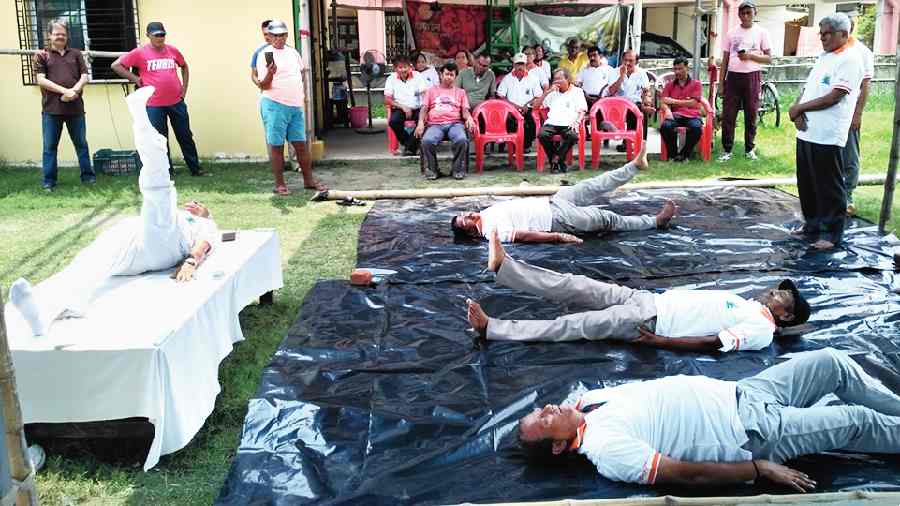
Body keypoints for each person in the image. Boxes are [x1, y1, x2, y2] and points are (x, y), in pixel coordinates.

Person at [515, 347, 900, 491]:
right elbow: (682, 474)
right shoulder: (607, 450)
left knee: (832, 362)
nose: (548, 409)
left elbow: (565, 407)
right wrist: (757, 468)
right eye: (545, 420)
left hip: (748, 392)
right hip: (754, 432)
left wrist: (562, 413)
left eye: (542, 408)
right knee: (855, 420)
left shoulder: (588, 403)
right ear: (561, 446)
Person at [8, 86, 219, 337]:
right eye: (198, 205)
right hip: (134, 240)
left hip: (166, 244)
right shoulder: (180, 216)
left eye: (202, 207)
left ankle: (143, 124)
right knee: (88, 263)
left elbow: (205, 243)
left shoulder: (204, 225)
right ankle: (44, 313)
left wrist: (192, 261)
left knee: (159, 191)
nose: (196, 205)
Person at [467, 227, 809, 350]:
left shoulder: (761, 329)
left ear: (786, 314)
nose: (773, 292)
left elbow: (713, 343)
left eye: (781, 295)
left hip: (654, 321)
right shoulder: (748, 304)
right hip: (649, 300)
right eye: (777, 290)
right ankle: (506, 268)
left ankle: (493, 329)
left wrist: (661, 341)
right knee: (576, 285)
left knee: (575, 325)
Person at [451, 143, 676, 243]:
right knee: (607, 219)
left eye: (465, 214)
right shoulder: (490, 233)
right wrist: (558, 238)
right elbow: (525, 236)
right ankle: (655, 222)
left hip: (553, 201)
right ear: (471, 234)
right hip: (557, 220)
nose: (469, 216)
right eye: (465, 222)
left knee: (594, 184)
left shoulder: (484, 214)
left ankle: (635, 166)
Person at [789, 13, 864, 250]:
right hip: (807, 131)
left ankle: (832, 234)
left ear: (844, 33)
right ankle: (812, 224)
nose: (823, 38)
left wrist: (799, 108)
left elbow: (834, 96)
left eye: (828, 33)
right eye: (821, 34)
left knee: (828, 185)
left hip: (828, 133)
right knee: (807, 182)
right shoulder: (824, 57)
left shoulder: (851, 60)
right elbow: (809, 89)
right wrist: (797, 112)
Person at [112, 22, 204, 177]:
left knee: (185, 135)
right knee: (160, 139)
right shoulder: (140, 53)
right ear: (148, 35)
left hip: (176, 102)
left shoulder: (172, 50)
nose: (160, 38)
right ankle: (166, 171)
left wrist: (184, 89)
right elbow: (116, 65)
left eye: (162, 34)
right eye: (157, 35)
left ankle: (195, 168)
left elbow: (184, 66)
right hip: (154, 104)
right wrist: (135, 79)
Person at [253, 19, 325, 195]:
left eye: (282, 35)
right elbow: (263, 85)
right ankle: (280, 184)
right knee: (277, 146)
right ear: (269, 36)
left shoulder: (293, 53)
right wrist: (270, 72)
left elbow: (299, 74)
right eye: (275, 35)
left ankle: (308, 180)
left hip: (294, 106)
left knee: (301, 145)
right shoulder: (264, 54)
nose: (279, 39)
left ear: (286, 35)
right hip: (274, 105)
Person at [33, 19, 95, 191]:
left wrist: (73, 91)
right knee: (50, 147)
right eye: (56, 33)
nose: (60, 37)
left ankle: (88, 177)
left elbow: (84, 76)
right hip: (51, 110)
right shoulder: (41, 55)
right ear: (49, 35)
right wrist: (64, 91)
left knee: (81, 144)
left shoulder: (76, 54)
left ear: (67, 36)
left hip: (76, 108)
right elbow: (41, 80)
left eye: (63, 34)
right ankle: (49, 181)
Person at [718, 0, 772, 162]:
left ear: (755, 13)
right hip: (733, 77)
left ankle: (750, 148)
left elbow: (769, 58)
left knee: (751, 113)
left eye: (749, 12)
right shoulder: (731, 33)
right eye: (742, 13)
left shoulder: (761, 32)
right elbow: (726, 59)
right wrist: (721, 83)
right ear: (739, 14)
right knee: (729, 114)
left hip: (752, 76)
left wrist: (751, 56)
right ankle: (727, 149)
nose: (746, 16)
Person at [415, 63, 476, 180]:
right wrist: (420, 122)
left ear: (455, 77)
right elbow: (424, 108)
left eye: (452, 75)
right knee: (427, 141)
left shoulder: (461, 92)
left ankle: (457, 169)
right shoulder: (431, 91)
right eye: (446, 74)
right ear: (441, 75)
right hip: (435, 124)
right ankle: (433, 169)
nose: (449, 77)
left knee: (462, 140)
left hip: (455, 124)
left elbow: (465, 110)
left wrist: (469, 118)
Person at [250, 20, 297, 171]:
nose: (268, 38)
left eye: (270, 34)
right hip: (270, 99)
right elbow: (253, 73)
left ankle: (296, 163)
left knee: (292, 132)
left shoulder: (289, 51)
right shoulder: (260, 52)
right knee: (272, 133)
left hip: (289, 99)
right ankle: (277, 165)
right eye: (265, 35)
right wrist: (259, 83)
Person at [843, 12, 875, 216]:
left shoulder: (862, 52)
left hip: (849, 112)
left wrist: (857, 114)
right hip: (829, 112)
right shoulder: (832, 49)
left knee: (849, 155)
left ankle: (847, 195)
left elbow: (865, 85)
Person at [536, 68, 587, 174]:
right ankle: (558, 160)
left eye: (559, 79)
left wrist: (577, 122)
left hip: (568, 122)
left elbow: (582, 110)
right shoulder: (552, 92)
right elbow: (536, 106)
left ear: (567, 79)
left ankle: (556, 159)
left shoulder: (577, 92)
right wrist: (547, 92)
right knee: (542, 135)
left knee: (573, 136)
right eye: (555, 79)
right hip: (552, 122)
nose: (557, 82)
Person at [659, 57, 704, 162]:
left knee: (697, 128)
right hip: (676, 115)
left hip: (692, 115)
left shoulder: (696, 84)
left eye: (680, 69)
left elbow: (693, 102)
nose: (677, 72)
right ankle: (673, 155)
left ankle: (684, 154)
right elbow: (663, 101)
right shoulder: (670, 85)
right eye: (675, 69)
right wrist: (667, 110)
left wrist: (673, 101)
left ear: (687, 68)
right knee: (665, 127)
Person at [605, 50, 652, 151]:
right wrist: (621, 77)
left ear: (636, 62)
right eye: (625, 60)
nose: (627, 63)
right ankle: (628, 142)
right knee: (635, 109)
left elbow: (646, 91)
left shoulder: (641, 73)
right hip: (617, 106)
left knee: (639, 109)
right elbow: (611, 91)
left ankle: (640, 143)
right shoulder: (615, 72)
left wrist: (647, 99)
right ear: (622, 60)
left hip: (635, 104)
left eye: (631, 61)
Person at [384, 54, 429, 156]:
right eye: (400, 67)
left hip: (417, 108)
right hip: (400, 108)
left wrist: (424, 108)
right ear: (395, 68)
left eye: (405, 67)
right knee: (393, 121)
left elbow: (424, 94)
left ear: (410, 67)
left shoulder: (417, 75)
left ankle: (409, 147)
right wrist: (403, 107)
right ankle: (411, 145)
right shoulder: (391, 79)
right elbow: (387, 100)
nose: (403, 70)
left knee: (424, 120)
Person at [497, 53, 542, 150]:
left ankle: (526, 145)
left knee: (530, 123)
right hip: (510, 109)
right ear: (514, 65)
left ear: (526, 65)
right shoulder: (507, 78)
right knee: (510, 121)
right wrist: (515, 107)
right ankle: (513, 145)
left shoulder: (533, 78)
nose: (520, 67)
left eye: (522, 64)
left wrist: (527, 104)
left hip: (527, 108)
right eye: (518, 64)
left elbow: (538, 96)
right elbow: (501, 97)